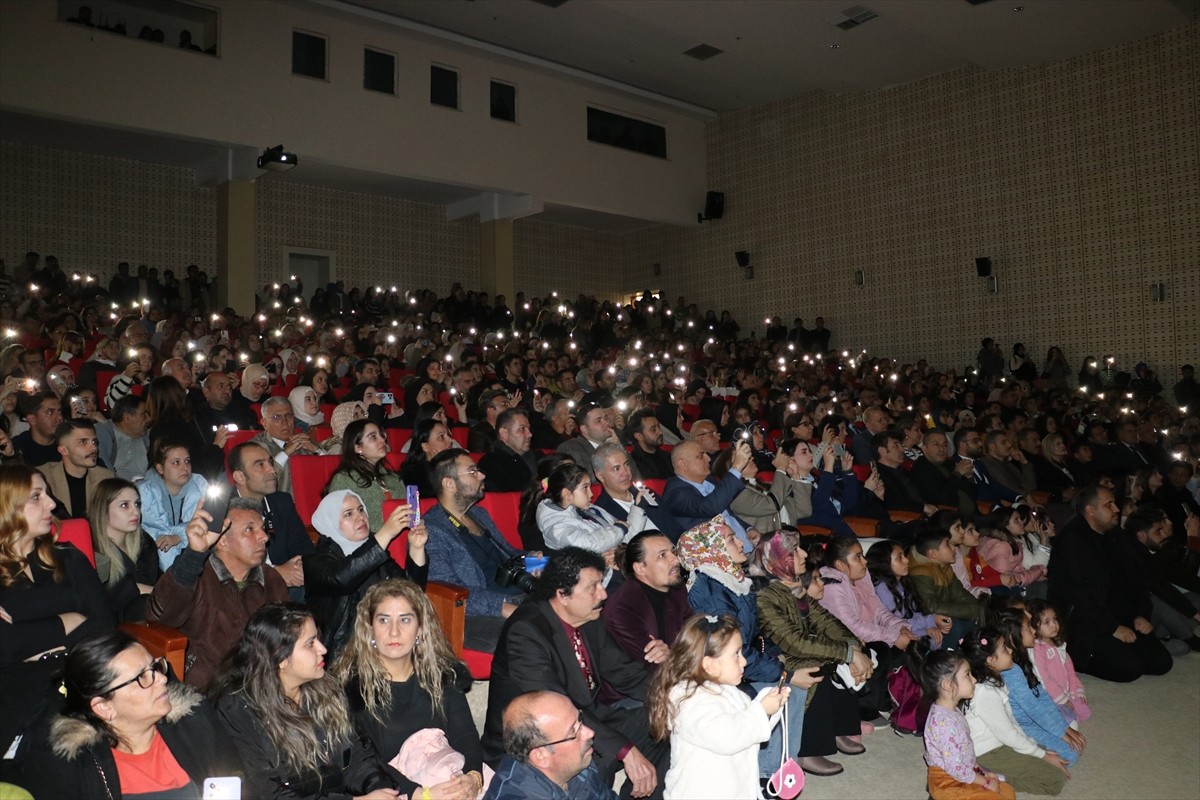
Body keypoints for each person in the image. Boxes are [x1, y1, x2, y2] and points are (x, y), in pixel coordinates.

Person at [482, 547, 669, 799]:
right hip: (540, 743)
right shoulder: (526, 633)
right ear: (563, 595)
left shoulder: (587, 616)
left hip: (583, 721)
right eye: (593, 587)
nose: (603, 595)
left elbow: (625, 672)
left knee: (665, 720)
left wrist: (678, 695)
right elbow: (560, 704)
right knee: (590, 765)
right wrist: (626, 751)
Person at [15, 629, 241, 798]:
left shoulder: (195, 722)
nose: (162, 679)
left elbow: (239, 784)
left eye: (154, 667)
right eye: (142, 677)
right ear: (105, 707)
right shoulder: (69, 766)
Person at [210, 603, 403, 799]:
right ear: (281, 659)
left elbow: (356, 758)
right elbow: (268, 793)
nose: (323, 649)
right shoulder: (239, 711)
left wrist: (379, 787)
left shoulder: (326, 690)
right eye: (310, 644)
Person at [0, 464, 116, 757]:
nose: (51, 504)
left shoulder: (68, 557)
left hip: (84, 670)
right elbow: (5, 647)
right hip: (22, 688)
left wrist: (44, 646)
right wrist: (68, 620)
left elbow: (104, 624)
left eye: (48, 494)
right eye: (36, 496)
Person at [334, 579, 485, 800]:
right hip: (390, 792)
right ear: (370, 628)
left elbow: (465, 735)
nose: (394, 632)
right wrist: (421, 794)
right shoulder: (351, 689)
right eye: (384, 620)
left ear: (420, 628)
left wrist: (473, 777)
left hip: (447, 779)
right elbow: (363, 761)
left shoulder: (443, 675)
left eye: (405, 620)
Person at [146, 496, 289, 687]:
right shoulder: (197, 575)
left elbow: (288, 635)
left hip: (263, 685)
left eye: (262, 529)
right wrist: (193, 555)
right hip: (210, 690)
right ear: (222, 542)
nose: (264, 536)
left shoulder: (271, 579)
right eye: (249, 529)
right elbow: (159, 616)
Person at [646, 613, 791, 800]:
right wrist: (761, 710)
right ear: (709, 665)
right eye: (736, 655)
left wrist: (770, 706)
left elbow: (750, 729)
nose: (744, 661)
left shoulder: (729, 690)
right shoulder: (690, 701)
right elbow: (728, 736)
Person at [1047, 485, 1173, 682]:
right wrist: (1113, 628)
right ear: (1090, 510)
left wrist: (1141, 613)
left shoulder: (1116, 536)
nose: (1116, 509)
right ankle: (1075, 658)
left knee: (1161, 663)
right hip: (1086, 622)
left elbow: (1137, 578)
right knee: (1130, 669)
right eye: (1109, 505)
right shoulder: (1071, 540)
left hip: (1122, 615)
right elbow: (1079, 594)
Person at [305, 490, 428, 657]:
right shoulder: (315, 561)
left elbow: (410, 594)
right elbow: (343, 579)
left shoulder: (374, 551)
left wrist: (416, 547)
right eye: (348, 514)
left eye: (361, 509)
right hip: (347, 652)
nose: (360, 517)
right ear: (331, 522)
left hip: (387, 639)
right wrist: (385, 534)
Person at [423, 450, 525, 647]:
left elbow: (510, 554)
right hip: (475, 613)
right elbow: (449, 590)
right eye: (472, 472)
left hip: (514, 594)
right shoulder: (432, 529)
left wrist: (543, 562)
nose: (482, 475)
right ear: (449, 484)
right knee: (531, 632)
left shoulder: (479, 515)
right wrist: (502, 607)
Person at [959, 628, 1069, 795]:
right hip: (988, 751)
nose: (1010, 650)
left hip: (1000, 742)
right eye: (1004, 649)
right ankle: (994, 777)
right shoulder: (985, 693)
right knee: (1055, 779)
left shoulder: (995, 681)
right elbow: (1009, 734)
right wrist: (1042, 756)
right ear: (990, 660)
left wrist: (1036, 749)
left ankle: (1000, 771)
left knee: (1050, 752)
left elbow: (1010, 723)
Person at [988, 605, 1084, 767]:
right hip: (1021, 727)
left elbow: (1042, 696)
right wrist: (1062, 733)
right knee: (1070, 753)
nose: (1034, 631)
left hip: (1031, 721)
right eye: (1028, 627)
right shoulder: (1011, 672)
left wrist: (1064, 730)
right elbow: (1033, 708)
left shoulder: (1021, 658)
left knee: (1073, 738)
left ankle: (1042, 748)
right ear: (1013, 636)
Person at [917, 648, 1015, 800]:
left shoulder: (952, 709)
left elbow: (962, 752)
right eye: (967, 675)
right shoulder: (944, 724)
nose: (974, 679)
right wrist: (986, 782)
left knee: (1008, 792)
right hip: (947, 781)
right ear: (948, 685)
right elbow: (956, 769)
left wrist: (981, 770)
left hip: (964, 771)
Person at [484, 690, 616, 800]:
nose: (589, 733)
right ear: (541, 756)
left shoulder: (573, 762)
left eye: (580, 719)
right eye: (573, 731)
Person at [534, 462, 650, 579]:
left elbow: (625, 536)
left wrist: (638, 508)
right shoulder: (555, 525)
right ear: (567, 494)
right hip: (598, 581)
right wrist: (618, 530)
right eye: (585, 488)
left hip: (619, 567)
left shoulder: (592, 510)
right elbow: (589, 543)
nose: (591, 494)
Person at [228, 441, 311, 599]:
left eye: (270, 462)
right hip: (243, 592)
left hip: (289, 587)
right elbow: (226, 568)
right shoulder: (224, 511)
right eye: (260, 465)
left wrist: (299, 568)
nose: (272, 470)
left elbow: (303, 546)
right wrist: (274, 573)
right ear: (240, 476)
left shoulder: (282, 502)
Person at [601, 531, 691, 671]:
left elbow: (695, 634)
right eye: (662, 555)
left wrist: (673, 654)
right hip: (643, 685)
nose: (676, 560)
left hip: (681, 668)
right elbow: (652, 665)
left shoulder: (676, 588)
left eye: (673, 552)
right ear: (640, 568)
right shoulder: (622, 609)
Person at [662, 439, 757, 551]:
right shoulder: (675, 494)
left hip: (747, 548)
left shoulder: (710, 482)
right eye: (701, 456)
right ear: (683, 464)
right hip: (720, 559)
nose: (708, 459)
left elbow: (728, 514)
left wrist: (748, 528)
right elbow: (711, 507)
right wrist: (737, 467)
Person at [88, 477, 159, 621]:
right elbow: (113, 595)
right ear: (103, 510)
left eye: (137, 504)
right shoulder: (91, 549)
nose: (136, 512)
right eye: (124, 505)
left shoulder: (144, 542)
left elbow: (155, 582)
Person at [138, 438, 208, 570]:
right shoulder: (144, 493)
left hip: (192, 555)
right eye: (176, 462)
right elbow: (149, 530)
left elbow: (206, 526)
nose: (184, 467)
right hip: (152, 562)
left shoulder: (201, 488)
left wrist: (179, 537)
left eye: (187, 461)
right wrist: (176, 537)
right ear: (160, 468)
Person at [865, 539, 948, 648]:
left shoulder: (903, 581)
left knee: (936, 635)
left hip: (909, 628)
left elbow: (916, 611)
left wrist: (931, 625)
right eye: (899, 558)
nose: (906, 560)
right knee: (931, 640)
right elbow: (896, 623)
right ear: (883, 563)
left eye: (904, 555)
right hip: (894, 635)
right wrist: (929, 622)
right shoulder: (881, 588)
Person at [591, 443, 682, 541]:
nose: (625, 473)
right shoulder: (602, 512)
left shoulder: (644, 492)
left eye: (626, 465)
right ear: (600, 476)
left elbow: (674, 527)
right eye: (616, 469)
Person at [327, 419, 404, 533]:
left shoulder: (393, 478)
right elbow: (340, 526)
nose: (382, 440)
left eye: (381, 435)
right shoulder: (343, 480)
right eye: (373, 437)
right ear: (358, 448)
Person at [1026, 600, 1092, 723]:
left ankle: (1067, 710)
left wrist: (1077, 691)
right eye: (1047, 622)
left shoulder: (1059, 644)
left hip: (1066, 692)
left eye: (1055, 619)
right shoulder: (1037, 649)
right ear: (1034, 626)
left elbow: (1070, 672)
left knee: (1085, 712)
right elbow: (1044, 678)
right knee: (1067, 721)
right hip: (1050, 697)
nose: (1054, 624)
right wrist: (1061, 699)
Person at [41, 419, 114, 518]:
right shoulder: (44, 477)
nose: (94, 448)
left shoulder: (106, 478)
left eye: (94, 442)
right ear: (63, 450)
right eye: (83, 442)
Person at [252, 395, 322, 494]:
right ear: (264, 423)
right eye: (277, 417)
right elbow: (259, 480)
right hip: (276, 505)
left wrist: (317, 451)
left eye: (288, 416)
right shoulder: (255, 447)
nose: (284, 422)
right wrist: (286, 452)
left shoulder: (305, 441)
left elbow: (331, 472)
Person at [95, 393, 151, 482]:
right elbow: (103, 471)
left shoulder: (147, 435)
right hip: (117, 490)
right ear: (127, 417)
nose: (148, 419)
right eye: (143, 414)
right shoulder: (103, 432)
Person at [556, 403, 619, 481]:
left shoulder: (613, 445)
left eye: (606, 418)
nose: (606, 423)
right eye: (598, 420)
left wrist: (619, 448)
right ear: (585, 429)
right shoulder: (570, 448)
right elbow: (587, 481)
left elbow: (633, 475)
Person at [481, 408, 538, 492]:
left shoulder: (538, 457)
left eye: (529, 429)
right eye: (522, 429)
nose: (530, 434)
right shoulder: (490, 464)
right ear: (504, 433)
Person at [12, 392, 62, 467]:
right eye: (50, 412)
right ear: (32, 419)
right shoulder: (17, 447)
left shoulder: (68, 443)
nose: (59, 417)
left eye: (60, 411)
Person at [626, 410, 672, 480]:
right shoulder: (633, 464)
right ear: (639, 436)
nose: (660, 432)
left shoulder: (668, 456)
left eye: (658, 427)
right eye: (653, 429)